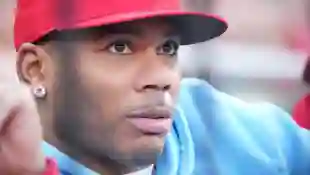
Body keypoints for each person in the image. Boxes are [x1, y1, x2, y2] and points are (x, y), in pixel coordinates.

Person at [1, 0, 310, 174]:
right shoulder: (15, 161)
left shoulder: (216, 124)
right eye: (119, 47)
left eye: (168, 48)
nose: (161, 78)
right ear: (36, 69)